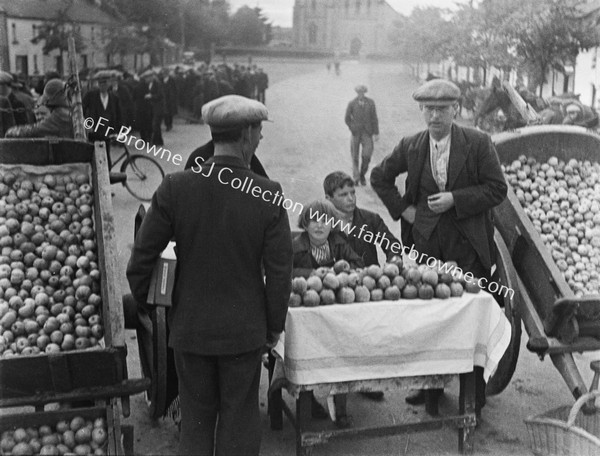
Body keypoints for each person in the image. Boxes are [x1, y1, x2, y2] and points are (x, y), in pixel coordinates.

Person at [127, 94, 293, 456]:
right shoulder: (268, 194)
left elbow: (140, 261)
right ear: (247, 134)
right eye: (260, 130)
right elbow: (280, 273)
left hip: (189, 330)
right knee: (239, 421)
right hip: (244, 333)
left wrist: (159, 310)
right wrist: (272, 327)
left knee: (197, 422)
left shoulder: (175, 187)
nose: (261, 138)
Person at [370, 79, 507, 416]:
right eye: (429, 109)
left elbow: (496, 189)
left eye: (442, 109)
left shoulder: (477, 143)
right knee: (427, 314)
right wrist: (404, 209)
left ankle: (473, 390)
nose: (434, 116)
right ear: (422, 111)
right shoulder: (411, 146)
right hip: (426, 241)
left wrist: (455, 199)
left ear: (455, 110)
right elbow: (378, 177)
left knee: (469, 312)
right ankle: (427, 387)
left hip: (468, 243)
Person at [292, 199, 363, 429]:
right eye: (313, 220)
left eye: (325, 221)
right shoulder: (296, 246)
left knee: (341, 350)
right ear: (304, 223)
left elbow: (357, 264)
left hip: (336, 311)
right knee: (307, 352)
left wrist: (339, 271)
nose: (319, 226)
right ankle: (308, 398)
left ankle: (339, 403)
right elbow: (284, 268)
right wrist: (312, 272)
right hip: (308, 311)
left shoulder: (340, 244)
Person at [324, 171, 401, 268]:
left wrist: (394, 260)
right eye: (343, 195)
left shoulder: (371, 219)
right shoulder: (321, 224)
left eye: (352, 193)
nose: (351, 199)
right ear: (328, 198)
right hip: (336, 281)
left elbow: (392, 245)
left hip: (371, 278)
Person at [5, 79, 73, 138]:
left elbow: (34, 130)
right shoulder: (70, 112)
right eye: (37, 114)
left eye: (42, 113)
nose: (39, 116)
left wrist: (12, 131)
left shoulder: (58, 116)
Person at [82, 70, 122, 165]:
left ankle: (107, 175)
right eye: (100, 83)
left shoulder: (114, 97)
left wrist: (119, 131)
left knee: (107, 158)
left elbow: (118, 115)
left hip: (107, 132)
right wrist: (86, 125)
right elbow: (81, 110)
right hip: (94, 131)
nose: (102, 86)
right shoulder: (91, 95)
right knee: (93, 156)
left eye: (105, 83)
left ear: (109, 83)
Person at [345, 85, 379, 186]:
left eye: (362, 92)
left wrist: (376, 133)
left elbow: (374, 118)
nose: (361, 94)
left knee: (367, 155)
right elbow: (347, 119)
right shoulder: (352, 103)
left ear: (365, 93)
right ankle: (356, 178)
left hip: (367, 133)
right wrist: (352, 128)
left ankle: (362, 175)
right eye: (359, 93)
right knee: (355, 156)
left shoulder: (370, 103)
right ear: (357, 93)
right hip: (355, 133)